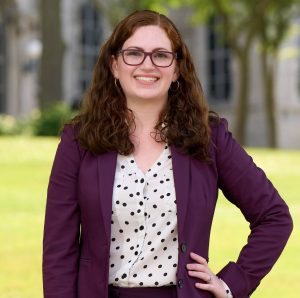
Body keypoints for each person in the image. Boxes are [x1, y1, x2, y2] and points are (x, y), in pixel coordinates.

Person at [42, 10, 293, 298]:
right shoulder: (79, 141)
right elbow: (58, 252)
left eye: (161, 55)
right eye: (134, 53)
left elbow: (274, 216)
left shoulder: (210, 138)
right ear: (114, 65)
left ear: (176, 69)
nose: (147, 65)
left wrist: (232, 283)